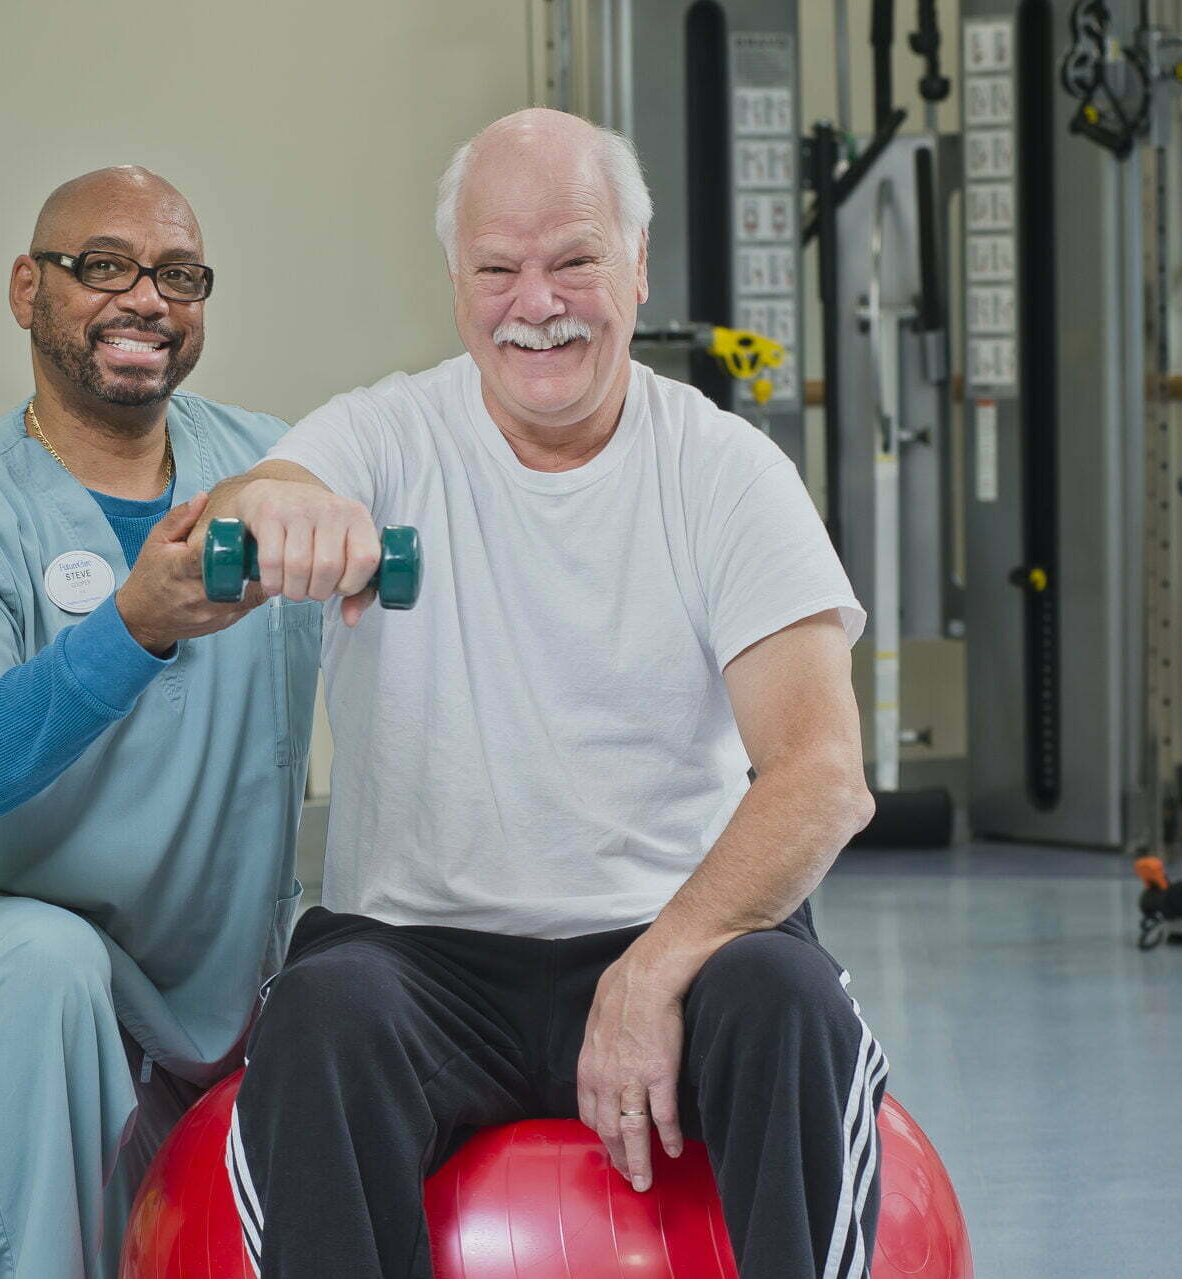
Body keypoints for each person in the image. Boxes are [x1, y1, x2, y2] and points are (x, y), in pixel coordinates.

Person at [209, 110, 885, 1279]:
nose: (538, 302)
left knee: (789, 999)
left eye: (574, 259)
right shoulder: (385, 433)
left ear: (638, 265)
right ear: (455, 282)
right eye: (497, 269)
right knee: (319, 1020)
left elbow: (823, 776)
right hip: (417, 961)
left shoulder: (725, 472)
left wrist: (657, 967)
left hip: (674, 937)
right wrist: (280, 509)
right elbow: (257, 496)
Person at [0, 166, 322, 1279]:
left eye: (180, 275)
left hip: (205, 964)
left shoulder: (274, 470)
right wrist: (130, 628)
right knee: (44, 972)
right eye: (105, 265)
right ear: (27, 288)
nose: (147, 298)